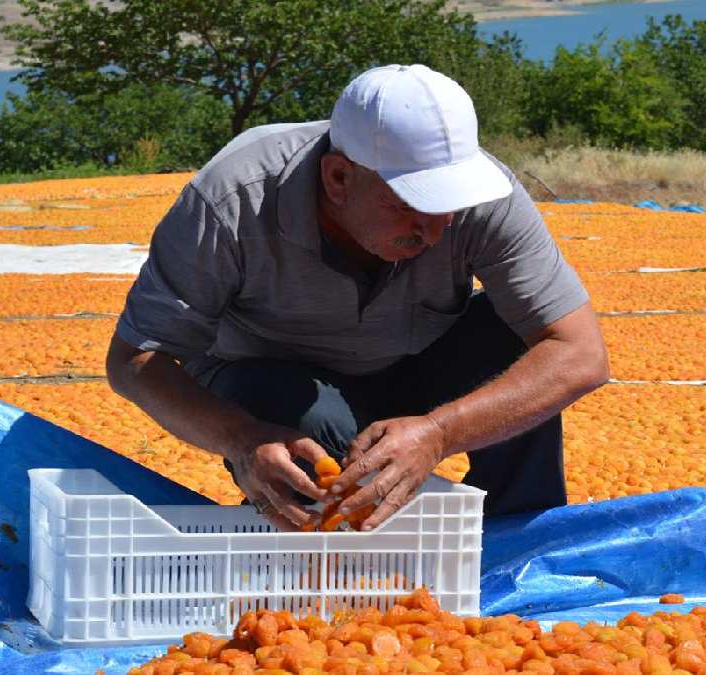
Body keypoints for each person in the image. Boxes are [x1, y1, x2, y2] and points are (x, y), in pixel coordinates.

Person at [105, 64, 609, 532]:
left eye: (449, 205)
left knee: (515, 346)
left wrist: (440, 431)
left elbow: (580, 354)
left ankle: (513, 547)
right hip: (279, 379)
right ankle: (324, 565)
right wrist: (241, 439)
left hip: (417, 363)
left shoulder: (484, 198)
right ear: (339, 178)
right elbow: (135, 360)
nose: (438, 229)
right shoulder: (233, 199)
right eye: (413, 204)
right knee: (307, 433)